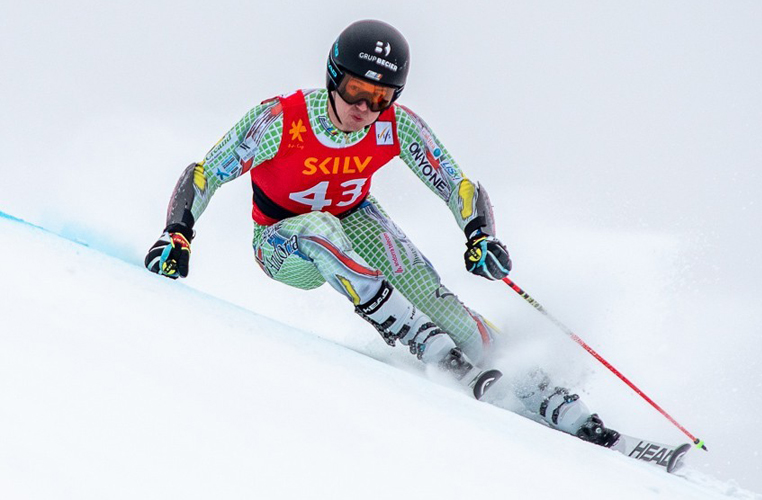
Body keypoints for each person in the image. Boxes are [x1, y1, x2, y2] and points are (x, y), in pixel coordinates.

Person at [145, 19, 619, 448]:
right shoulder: (282, 120)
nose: (365, 108)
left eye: (381, 96)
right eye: (355, 90)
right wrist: (177, 233)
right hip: (283, 242)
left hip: (357, 218)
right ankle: (417, 336)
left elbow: (457, 184)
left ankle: (545, 391)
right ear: (334, 76)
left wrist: (480, 235)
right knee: (321, 228)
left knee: (437, 299)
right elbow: (206, 173)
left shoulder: (395, 126)